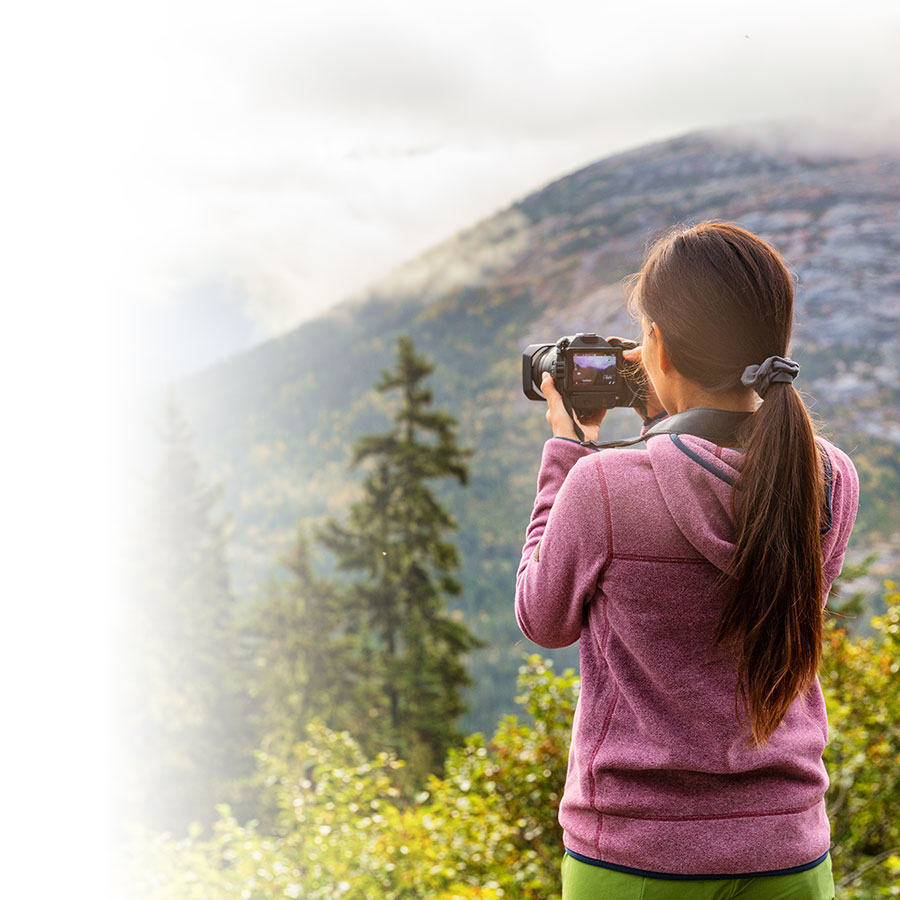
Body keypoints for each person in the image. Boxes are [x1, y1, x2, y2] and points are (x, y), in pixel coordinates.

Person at [515, 221, 859, 900]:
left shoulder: (602, 486)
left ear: (660, 350)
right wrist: (670, 418)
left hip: (635, 854)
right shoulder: (828, 477)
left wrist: (568, 450)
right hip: (788, 851)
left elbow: (543, 617)